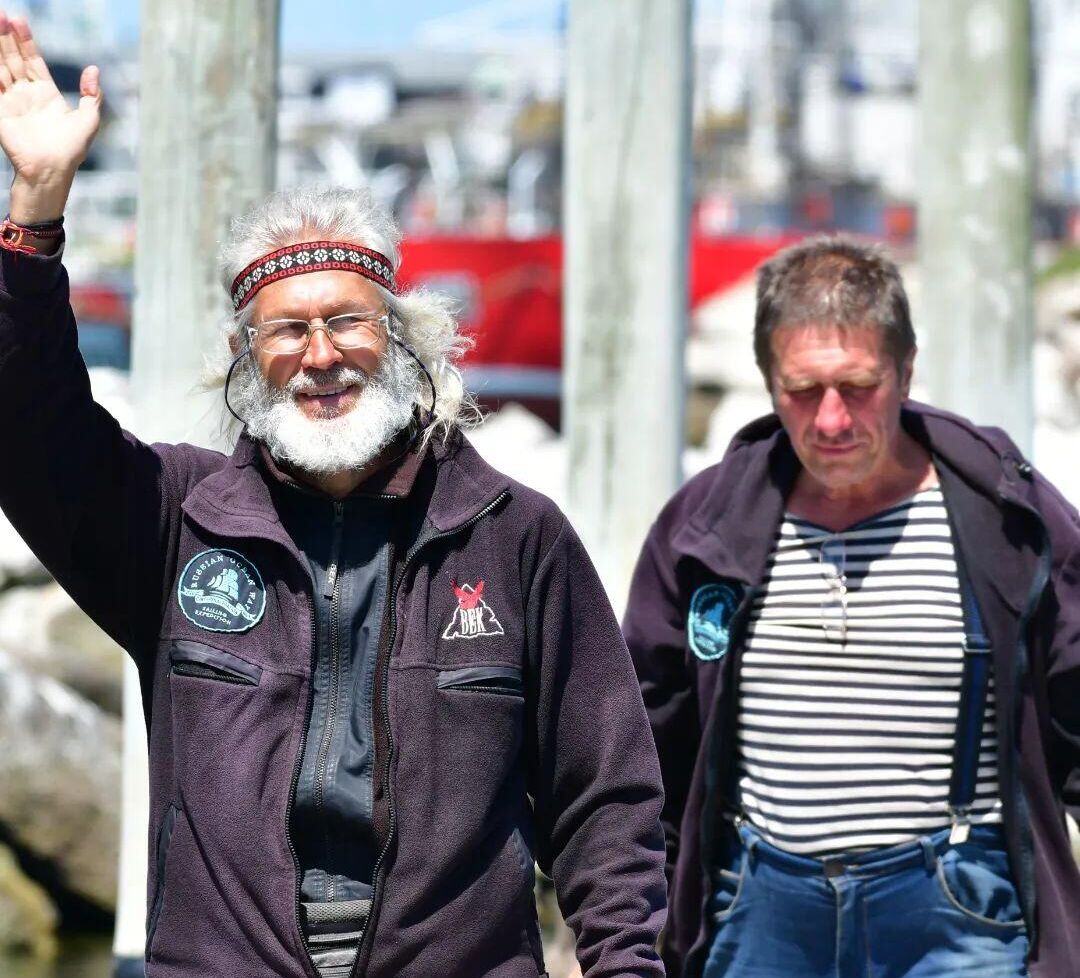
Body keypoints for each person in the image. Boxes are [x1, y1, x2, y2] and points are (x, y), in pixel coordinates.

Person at [0, 14, 667, 977]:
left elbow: (606, 800)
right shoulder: (174, 518)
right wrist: (36, 208)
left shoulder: (515, 535)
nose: (319, 356)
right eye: (286, 331)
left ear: (402, 336)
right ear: (243, 356)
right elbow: (27, 428)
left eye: (347, 321)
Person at [624, 235, 1080, 978]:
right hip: (758, 912)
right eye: (803, 392)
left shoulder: (1007, 520)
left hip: (956, 913)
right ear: (769, 383)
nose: (831, 420)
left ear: (905, 371)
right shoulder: (702, 528)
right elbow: (644, 741)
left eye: (858, 386)